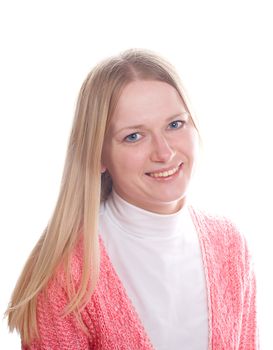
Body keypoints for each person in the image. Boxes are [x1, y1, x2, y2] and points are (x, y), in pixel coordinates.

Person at [6, 48, 258, 349]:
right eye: (134, 136)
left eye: (175, 124)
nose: (164, 152)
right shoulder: (67, 273)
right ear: (98, 155)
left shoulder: (229, 245)